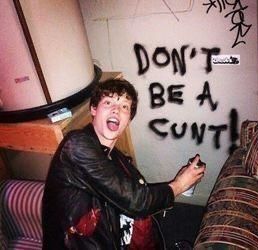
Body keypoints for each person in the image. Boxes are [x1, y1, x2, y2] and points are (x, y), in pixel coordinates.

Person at [42, 78, 206, 250]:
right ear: (94, 110)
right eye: (108, 102)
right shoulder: (76, 145)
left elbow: (135, 194)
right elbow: (137, 201)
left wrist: (179, 181)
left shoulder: (118, 159)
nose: (116, 109)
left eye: (124, 106)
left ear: (128, 120)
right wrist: (180, 185)